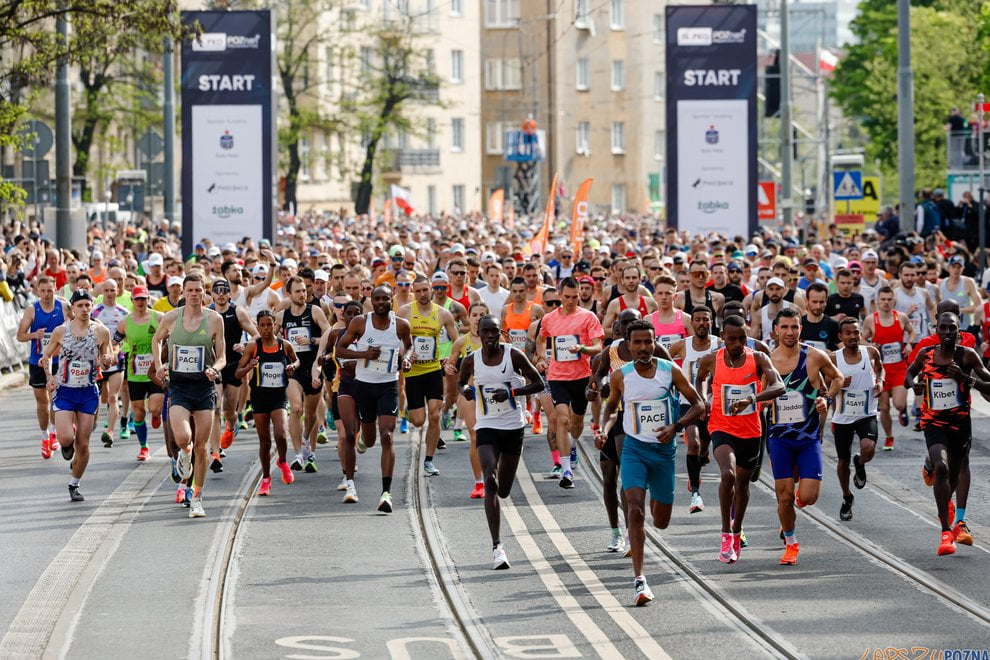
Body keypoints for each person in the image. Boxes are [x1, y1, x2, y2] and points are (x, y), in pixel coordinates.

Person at [601, 319, 704, 605]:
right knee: (635, 509)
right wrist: (604, 429)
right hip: (634, 449)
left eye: (649, 342)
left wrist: (677, 426)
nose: (644, 348)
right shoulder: (621, 376)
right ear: (628, 345)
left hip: (663, 453)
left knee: (661, 520)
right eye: (637, 343)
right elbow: (611, 409)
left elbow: (699, 405)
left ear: (655, 342)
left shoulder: (670, 371)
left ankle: (655, 513)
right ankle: (640, 581)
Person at [695, 316, 785, 564]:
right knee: (728, 475)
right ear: (722, 336)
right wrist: (703, 400)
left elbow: (779, 386)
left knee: (744, 486)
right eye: (732, 338)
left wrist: (752, 399)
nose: (736, 343)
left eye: (741, 338)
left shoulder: (758, 358)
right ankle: (725, 532)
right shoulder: (711, 359)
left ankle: (737, 530)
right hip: (721, 427)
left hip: (751, 430)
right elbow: (700, 378)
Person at [458, 314, 544, 570]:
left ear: (501, 332)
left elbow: (538, 383)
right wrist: (465, 390)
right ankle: (497, 546)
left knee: (504, 489)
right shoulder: (471, 360)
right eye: (486, 332)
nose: (490, 337)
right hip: (486, 426)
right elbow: (461, 382)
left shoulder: (513, 355)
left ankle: (501, 492)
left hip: (512, 427)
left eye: (495, 331)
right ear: (479, 333)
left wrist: (512, 392)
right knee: (490, 479)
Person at [905, 312, 990, 556]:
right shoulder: (927, 354)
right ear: (937, 329)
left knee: (954, 474)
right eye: (943, 328)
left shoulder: (967, 355)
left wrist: (965, 379)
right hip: (933, 422)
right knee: (941, 467)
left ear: (958, 330)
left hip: (960, 425)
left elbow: (988, 381)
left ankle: (953, 520)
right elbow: (908, 375)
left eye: (952, 328)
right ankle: (945, 532)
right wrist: (915, 385)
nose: (947, 332)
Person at [766, 309, 842, 565]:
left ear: (801, 329)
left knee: (808, 498)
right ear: (775, 330)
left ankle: (792, 508)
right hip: (779, 438)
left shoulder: (813, 357)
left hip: (808, 437)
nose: (789, 332)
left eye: (794, 327)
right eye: (784, 327)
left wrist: (826, 399)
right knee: (784, 497)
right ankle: (791, 542)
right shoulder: (766, 360)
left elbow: (838, 378)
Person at [151, 274, 226, 519]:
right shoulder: (172, 317)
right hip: (180, 387)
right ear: (183, 292)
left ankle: (197, 497)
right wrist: (159, 364)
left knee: (202, 448)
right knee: (184, 438)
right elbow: (156, 339)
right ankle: (184, 454)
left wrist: (216, 368)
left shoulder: (214, 319)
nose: (194, 294)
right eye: (190, 290)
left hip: (204, 387)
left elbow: (222, 355)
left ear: (204, 292)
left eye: (198, 290)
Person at [335, 285, 414, 512]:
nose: (381, 302)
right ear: (371, 300)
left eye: (385, 299)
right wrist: (364, 354)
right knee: (368, 440)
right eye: (377, 298)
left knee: (387, 435)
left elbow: (409, 347)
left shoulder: (401, 325)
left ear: (392, 301)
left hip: (388, 385)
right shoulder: (360, 322)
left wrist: (406, 359)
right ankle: (361, 448)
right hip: (364, 386)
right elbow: (340, 350)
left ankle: (386, 493)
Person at [40, 290, 114, 502]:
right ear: (72, 308)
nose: (84, 309)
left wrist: (108, 360)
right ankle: (65, 444)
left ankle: (74, 484)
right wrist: (49, 377)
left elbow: (107, 355)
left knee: (83, 443)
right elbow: (46, 357)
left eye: (87, 305)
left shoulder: (101, 331)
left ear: (92, 306)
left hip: (88, 391)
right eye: (79, 305)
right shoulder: (61, 331)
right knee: (65, 438)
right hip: (65, 390)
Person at [536, 277, 605, 489]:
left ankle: (572, 445)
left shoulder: (588, 317)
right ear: (559, 295)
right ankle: (566, 471)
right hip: (557, 377)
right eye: (567, 297)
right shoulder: (549, 319)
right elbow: (540, 339)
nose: (571, 301)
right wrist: (541, 358)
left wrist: (582, 349)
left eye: (575, 297)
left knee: (576, 424)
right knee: (561, 420)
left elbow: (598, 346)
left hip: (581, 377)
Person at [398, 275, 459, 476]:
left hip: (433, 370)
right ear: (413, 292)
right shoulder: (405, 312)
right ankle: (409, 411)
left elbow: (457, 342)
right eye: (419, 291)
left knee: (434, 415)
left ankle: (429, 460)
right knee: (418, 420)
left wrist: (449, 360)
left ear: (431, 289)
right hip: (413, 373)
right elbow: (394, 340)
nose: (423, 294)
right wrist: (405, 353)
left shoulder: (443, 314)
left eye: (426, 290)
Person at [235, 310, 299, 496]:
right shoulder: (252, 346)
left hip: (278, 396)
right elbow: (238, 373)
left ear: (274, 325)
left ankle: (283, 461)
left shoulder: (284, 345)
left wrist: (291, 367)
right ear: (257, 326)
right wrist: (249, 367)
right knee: (264, 441)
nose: (266, 329)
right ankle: (266, 479)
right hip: (259, 397)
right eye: (262, 325)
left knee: (281, 434)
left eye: (269, 324)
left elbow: (297, 361)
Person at [668, 306, 720, 515]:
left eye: (705, 320)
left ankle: (699, 461)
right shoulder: (682, 346)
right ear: (691, 324)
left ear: (711, 322)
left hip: (714, 402)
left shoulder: (719, 345)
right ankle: (695, 493)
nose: (701, 323)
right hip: (687, 401)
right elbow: (664, 359)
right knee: (694, 443)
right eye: (697, 319)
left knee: (704, 447)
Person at [831, 318, 884, 521]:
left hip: (866, 413)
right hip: (843, 417)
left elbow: (880, 369)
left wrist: (880, 382)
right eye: (848, 333)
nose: (853, 337)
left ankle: (860, 462)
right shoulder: (834, 358)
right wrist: (839, 383)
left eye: (856, 333)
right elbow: (825, 386)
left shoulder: (870, 352)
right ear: (841, 336)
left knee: (868, 447)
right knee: (842, 461)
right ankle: (847, 496)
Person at [278, 276, 331, 473]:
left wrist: (311, 340)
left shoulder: (314, 311)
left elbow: (328, 333)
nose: (303, 294)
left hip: (313, 367)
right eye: (298, 291)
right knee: (296, 408)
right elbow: (270, 337)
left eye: (304, 291)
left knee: (311, 414)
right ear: (289, 294)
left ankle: (309, 445)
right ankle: (298, 453)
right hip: (292, 369)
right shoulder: (282, 316)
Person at [17, 275, 68, 458]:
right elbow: (20, 335)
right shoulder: (32, 310)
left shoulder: (63, 306)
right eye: (43, 291)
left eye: (50, 290)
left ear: (55, 290)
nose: (47, 294)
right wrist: (34, 335)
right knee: (42, 403)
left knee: (56, 400)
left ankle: (54, 433)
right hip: (37, 362)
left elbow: (76, 323)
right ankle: (45, 436)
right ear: (38, 291)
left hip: (58, 361)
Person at [209, 278, 258, 470]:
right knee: (215, 408)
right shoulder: (208, 313)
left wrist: (245, 345)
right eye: (217, 290)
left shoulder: (237, 311)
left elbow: (256, 334)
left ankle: (230, 426)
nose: (221, 294)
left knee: (230, 411)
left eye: (224, 290)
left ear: (230, 293)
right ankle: (215, 453)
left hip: (234, 366)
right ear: (212, 294)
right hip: (215, 366)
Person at [862, 286, 916, 449]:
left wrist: (909, 344)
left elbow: (912, 332)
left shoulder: (901, 317)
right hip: (881, 371)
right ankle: (889, 437)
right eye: (883, 299)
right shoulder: (871, 320)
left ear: (894, 300)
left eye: (889, 299)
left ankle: (903, 409)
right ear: (877, 301)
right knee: (884, 407)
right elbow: (861, 339)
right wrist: (871, 345)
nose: (886, 302)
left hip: (899, 369)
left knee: (898, 404)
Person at [115, 286, 164, 463]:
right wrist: (109, 353)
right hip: (135, 372)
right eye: (138, 299)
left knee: (155, 408)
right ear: (132, 301)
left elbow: (170, 337)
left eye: (144, 298)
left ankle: (157, 415)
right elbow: (115, 341)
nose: (141, 302)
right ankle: (144, 447)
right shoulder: (125, 322)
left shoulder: (158, 318)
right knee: (138, 412)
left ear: (148, 299)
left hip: (155, 371)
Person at [445, 302, 487, 497]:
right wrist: (448, 368)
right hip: (470, 394)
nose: (478, 318)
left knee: (495, 438)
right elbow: (450, 363)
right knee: (475, 437)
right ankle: (479, 483)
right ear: (468, 317)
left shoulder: (497, 339)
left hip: (493, 394)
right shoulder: (461, 342)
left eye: (482, 314)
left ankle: (493, 474)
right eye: (475, 314)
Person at [91, 279, 130, 449]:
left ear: (117, 290)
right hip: (97, 360)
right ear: (102, 292)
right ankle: (90, 427)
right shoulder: (94, 312)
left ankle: (111, 432)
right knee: (101, 398)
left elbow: (129, 335)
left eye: (112, 290)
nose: (109, 293)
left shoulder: (124, 312)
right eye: (106, 290)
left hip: (117, 358)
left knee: (113, 397)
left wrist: (119, 348)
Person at [602, 265, 657, 335]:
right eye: (627, 278)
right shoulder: (615, 304)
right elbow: (603, 329)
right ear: (622, 280)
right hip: (624, 344)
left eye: (634, 277)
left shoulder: (650, 302)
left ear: (640, 279)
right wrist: (623, 331)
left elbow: (661, 323)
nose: (631, 281)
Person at [647, 275, 691, 351]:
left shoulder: (686, 319)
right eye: (660, 293)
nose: (664, 297)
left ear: (675, 296)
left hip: (680, 363)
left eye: (668, 293)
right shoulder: (648, 320)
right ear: (655, 296)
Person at [801, 282, 840, 351]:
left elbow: (842, 350)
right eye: (814, 302)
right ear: (807, 301)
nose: (818, 306)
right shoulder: (798, 324)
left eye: (821, 302)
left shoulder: (833, 325)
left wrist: (831, 355)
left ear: (826, 302)